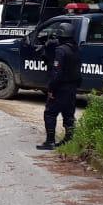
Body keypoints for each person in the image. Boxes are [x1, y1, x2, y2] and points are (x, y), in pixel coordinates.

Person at [37, 21, 80, 150]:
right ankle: (69, 140)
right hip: (72, 88)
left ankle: (50, 141)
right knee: (68, 114)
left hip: (60, 87)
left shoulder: (61, 51)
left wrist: (51, 89)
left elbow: (57, 72)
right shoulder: (76, 48)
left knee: (50, 113)